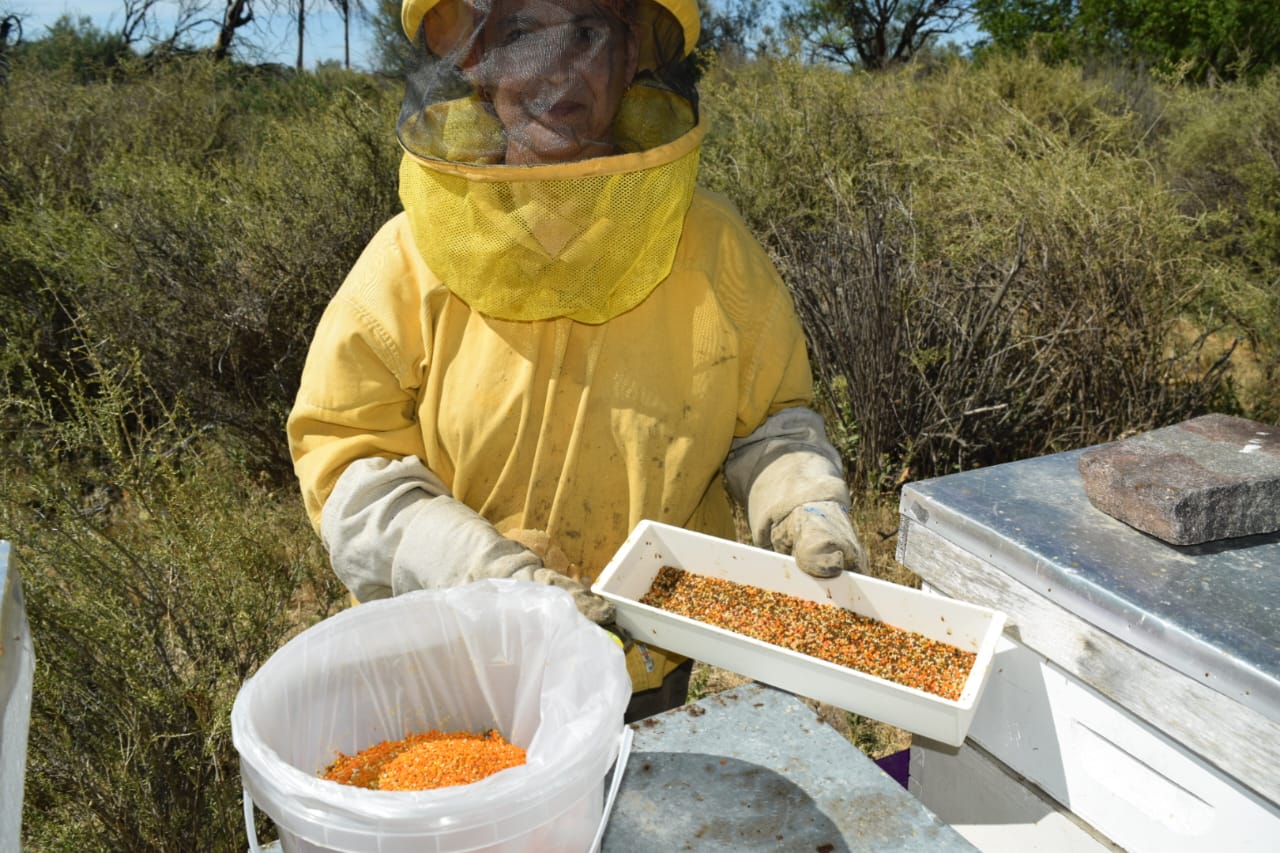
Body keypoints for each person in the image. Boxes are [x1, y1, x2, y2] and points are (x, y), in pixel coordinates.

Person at [287, 0, 866, 722]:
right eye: (524, 34)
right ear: (475, 57)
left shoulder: (713, 248)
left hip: (643, 666)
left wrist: (802, 501)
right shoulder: (405, 260)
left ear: (632, 58)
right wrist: (482, 574)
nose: (557, 68)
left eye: (588, 32)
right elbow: (347, 463)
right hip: (453, 668)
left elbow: (773, 424)